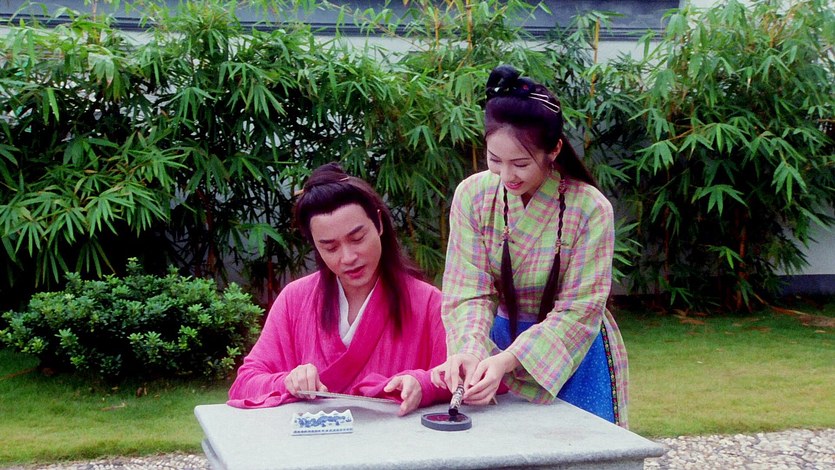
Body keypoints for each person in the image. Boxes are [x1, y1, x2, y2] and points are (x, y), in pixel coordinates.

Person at [431, 65, 629, 427]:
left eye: (520, 163)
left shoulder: (590, 208)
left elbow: (579, 309)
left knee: (580, 449)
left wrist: (510, 360)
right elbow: (468, 291)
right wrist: (470, 350)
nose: (507, 176)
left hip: (571, 348)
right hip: (496, 343)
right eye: (495, 160)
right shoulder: (472, 195)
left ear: (554, 149)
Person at [228, 163, 450, 416]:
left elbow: (463, 377)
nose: (348, 257)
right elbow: (245, 383)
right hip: (314, 440)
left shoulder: (428, 302)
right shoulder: (294, 299)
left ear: (379, 223)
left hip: (398, 439)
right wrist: (287, 382)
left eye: (357, 238)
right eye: (330, 247)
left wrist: (423, 384)